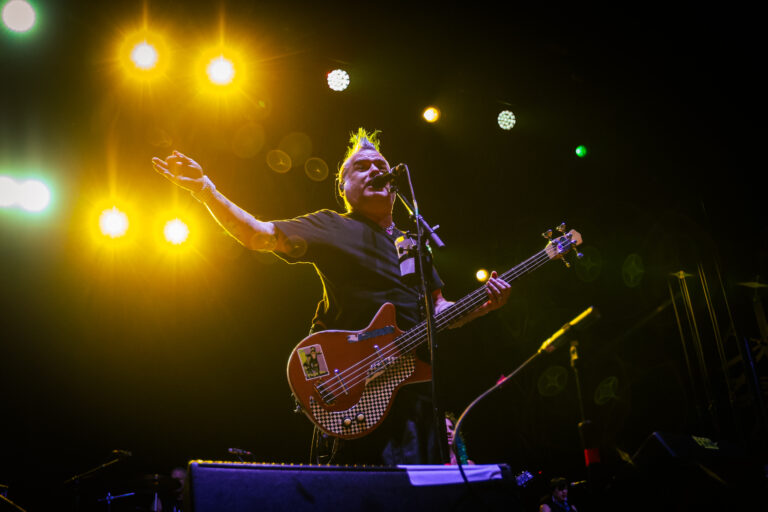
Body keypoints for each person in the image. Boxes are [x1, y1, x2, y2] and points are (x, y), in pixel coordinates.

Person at [151, 129, 511, 465]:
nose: (374, 171)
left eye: (381, 167)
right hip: (354, 389)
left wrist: (481, 305)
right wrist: (205, 190)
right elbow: (260, 236)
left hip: (417, 396)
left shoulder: (414, 243)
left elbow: (439, 310)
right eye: (361, 167)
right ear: (343, 186)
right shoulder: (334, 226)